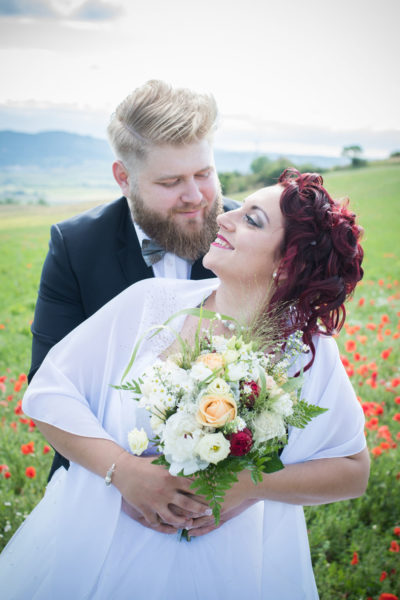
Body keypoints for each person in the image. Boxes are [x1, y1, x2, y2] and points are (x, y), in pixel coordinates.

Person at [0, 170, 369, 599]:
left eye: (252, 220)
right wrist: (124, 470)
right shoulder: (149, 303)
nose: (225, 218)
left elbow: (352, 472)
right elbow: (48, 393)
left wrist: (247, 486)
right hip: (101, 544)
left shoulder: (305, 351)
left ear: (287, 264)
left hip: (230, 566)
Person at [28, 79, 238, 477]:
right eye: (170, 182)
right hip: (101, 480)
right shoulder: (75, 246)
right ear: (123, 178)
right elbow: (46, 386)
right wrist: (123, 474)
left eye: (204, 173)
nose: (195, 196)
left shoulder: (250, 236)